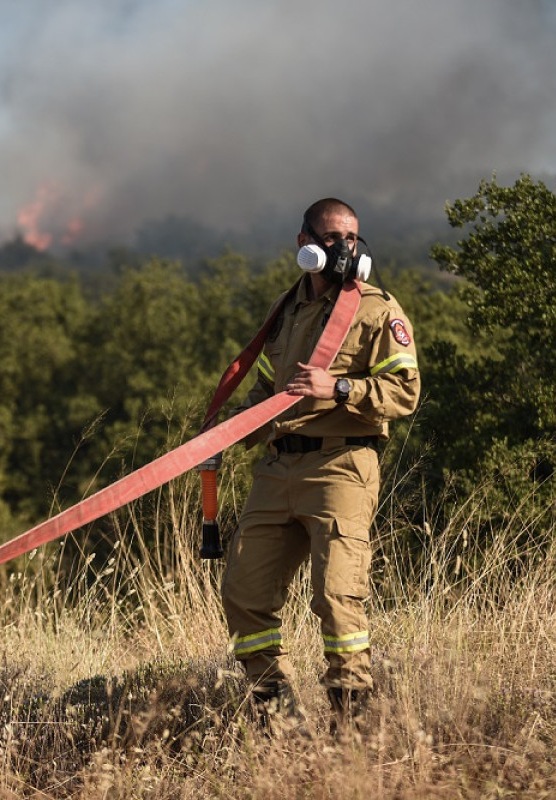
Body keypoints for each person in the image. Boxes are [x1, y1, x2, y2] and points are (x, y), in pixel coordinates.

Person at [220, 197, 421, 738]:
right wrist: (228, 430)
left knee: (336, 597)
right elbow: (266, 387)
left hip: (342, 465)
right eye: (332, 237)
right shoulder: (286, 312)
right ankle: (279, 722)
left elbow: (406, 392)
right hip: (278, 467)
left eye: (351, 238)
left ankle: (352, 730)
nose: (344, 248)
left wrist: (338, 387)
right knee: (243, 593)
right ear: (303, 241)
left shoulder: (377, 310)